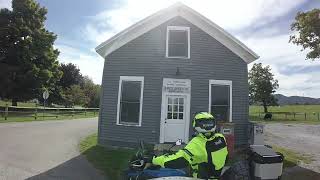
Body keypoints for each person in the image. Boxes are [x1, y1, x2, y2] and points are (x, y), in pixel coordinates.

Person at [151, 112, 228, 179]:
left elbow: (178, 161)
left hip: (200, 177)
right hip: (216, 175)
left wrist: (153, 160)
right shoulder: (221, 138)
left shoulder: (198, 143)